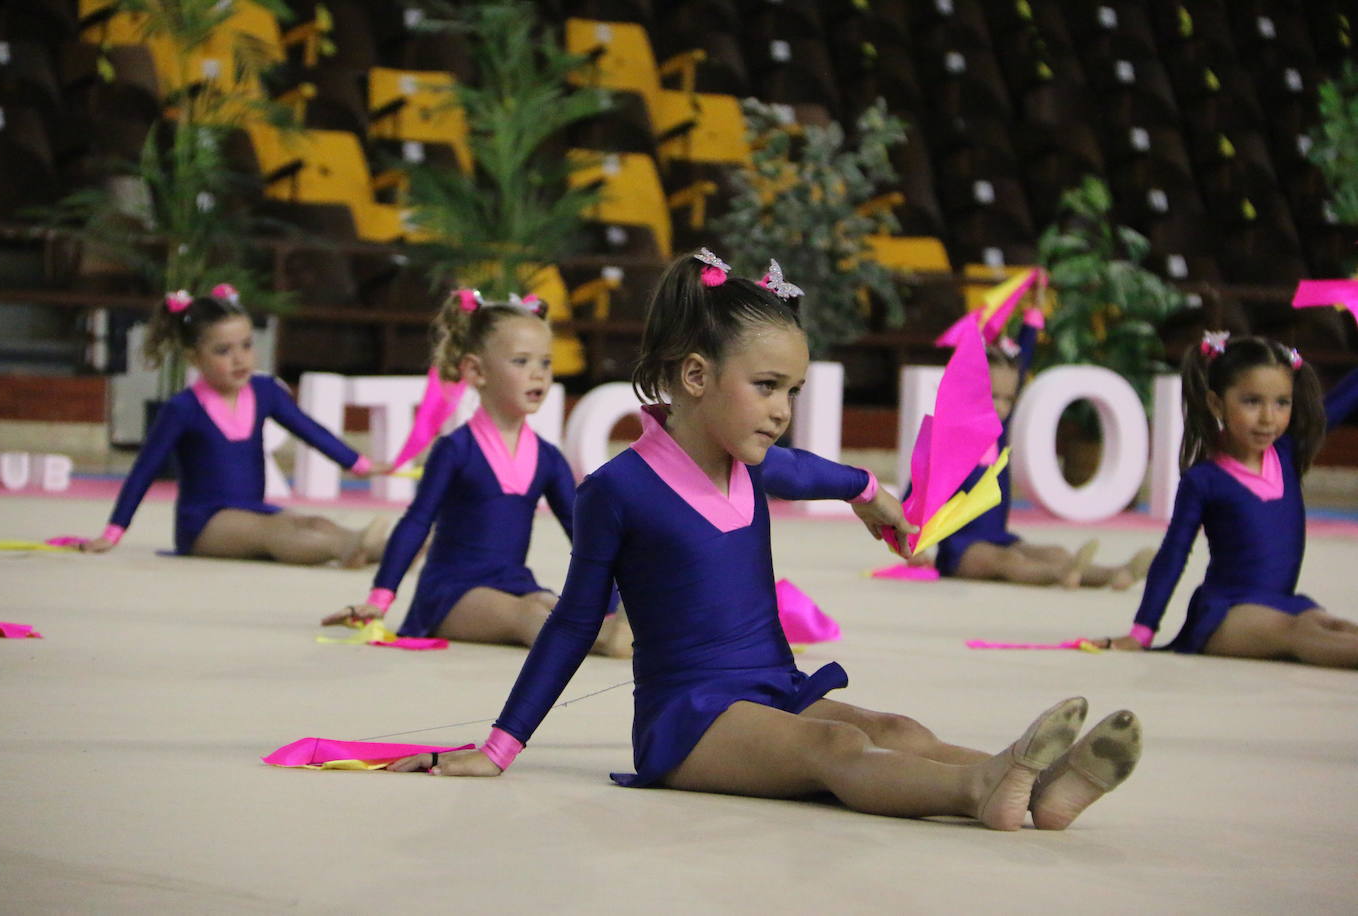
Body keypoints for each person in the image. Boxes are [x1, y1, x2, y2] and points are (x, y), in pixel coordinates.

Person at [389, 251, 1143, 831]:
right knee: (836, 752)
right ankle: (981, 788)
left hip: (772, 689)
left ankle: (1041, 788)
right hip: (689, 722)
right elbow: (574, 622)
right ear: (695, 376)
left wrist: (872, 494)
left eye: (794, 392)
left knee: (892, 728)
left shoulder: (749, 463)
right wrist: (499, 745)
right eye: (767, 386)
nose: (783, 411)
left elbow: (814, 472)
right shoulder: (617, 490)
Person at [322, 290, 631, 657]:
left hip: (513, 582)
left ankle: (617, 629)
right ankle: (601, 640)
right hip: (453, 594)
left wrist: (612, 602)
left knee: (548, 601)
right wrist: (380, 599)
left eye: (545, 363)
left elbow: (584, 538)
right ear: (476, 371)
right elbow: (416, 522)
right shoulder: (457, 449)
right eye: (521, 361)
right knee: (527, 613)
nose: (538, 374)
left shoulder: (547, 458)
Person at [83, 285, 390, 565]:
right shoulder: (183, 408)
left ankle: (383, 549)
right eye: (223, 351)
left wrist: (359, 463)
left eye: (246, 345)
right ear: (194, 357)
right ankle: (350, 547)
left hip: (252, 509)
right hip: (206, 523)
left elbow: (310, 430)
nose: (239, 359)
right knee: (273, 532)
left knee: (313, 524)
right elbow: (143, 472)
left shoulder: (265, 391)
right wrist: (113, 531)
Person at [1103, 332, 1358, 666]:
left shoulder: (1285, 453)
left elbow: (1342, 401)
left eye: (1282, 402)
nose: (1269, 417)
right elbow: (1173, 554)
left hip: (1282, 604)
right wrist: (1142, 632)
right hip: (1229, 616)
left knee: (1325, 623)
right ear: (1216, 403)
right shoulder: (1205, 479)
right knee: (1300, 632)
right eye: (1252, 401)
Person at [909, 314, 1154, 589]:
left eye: (1008, 399)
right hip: (961, 549)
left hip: (1000, 537)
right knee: (1008, 561)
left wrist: (1033, 318)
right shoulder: (948, 440)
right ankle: (1061, 575)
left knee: (1055, 553)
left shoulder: (998, 430)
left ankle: (1114, 573)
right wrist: (912, 549)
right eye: (993, 397)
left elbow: (1019, 367)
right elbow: (913, 497)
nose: (1001, 407)